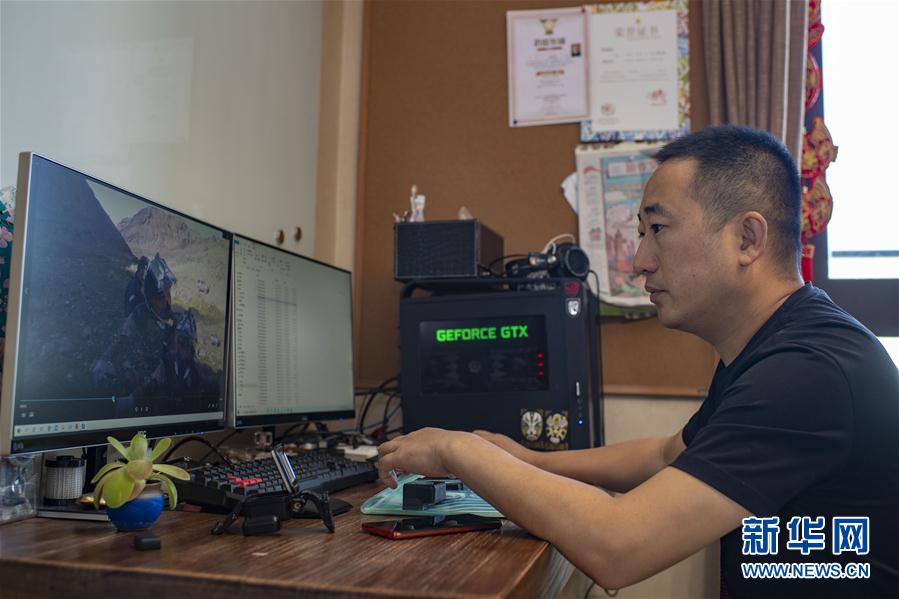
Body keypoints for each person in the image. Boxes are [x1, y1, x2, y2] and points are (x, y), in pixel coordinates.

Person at [377, 126, 898, 597]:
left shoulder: (806, 372)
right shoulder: (777, 346)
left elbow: (618, 546)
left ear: (747, 238)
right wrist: (529, 461)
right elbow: (670, 455)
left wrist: (456, 449)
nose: (640, 261)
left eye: (658, 229)